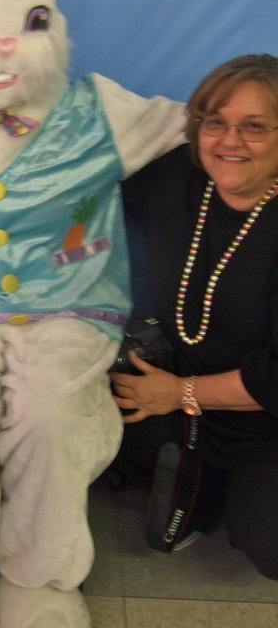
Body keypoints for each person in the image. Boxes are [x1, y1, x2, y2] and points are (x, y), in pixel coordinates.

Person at [111, 53, 278, 579]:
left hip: (265, 419)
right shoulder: (175, 180)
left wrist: (180, 393)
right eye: (216, 122)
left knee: (269, 543)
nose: (230, 141)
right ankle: (198, 479)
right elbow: (76, 183)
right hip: (176, 396)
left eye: (254, 127)